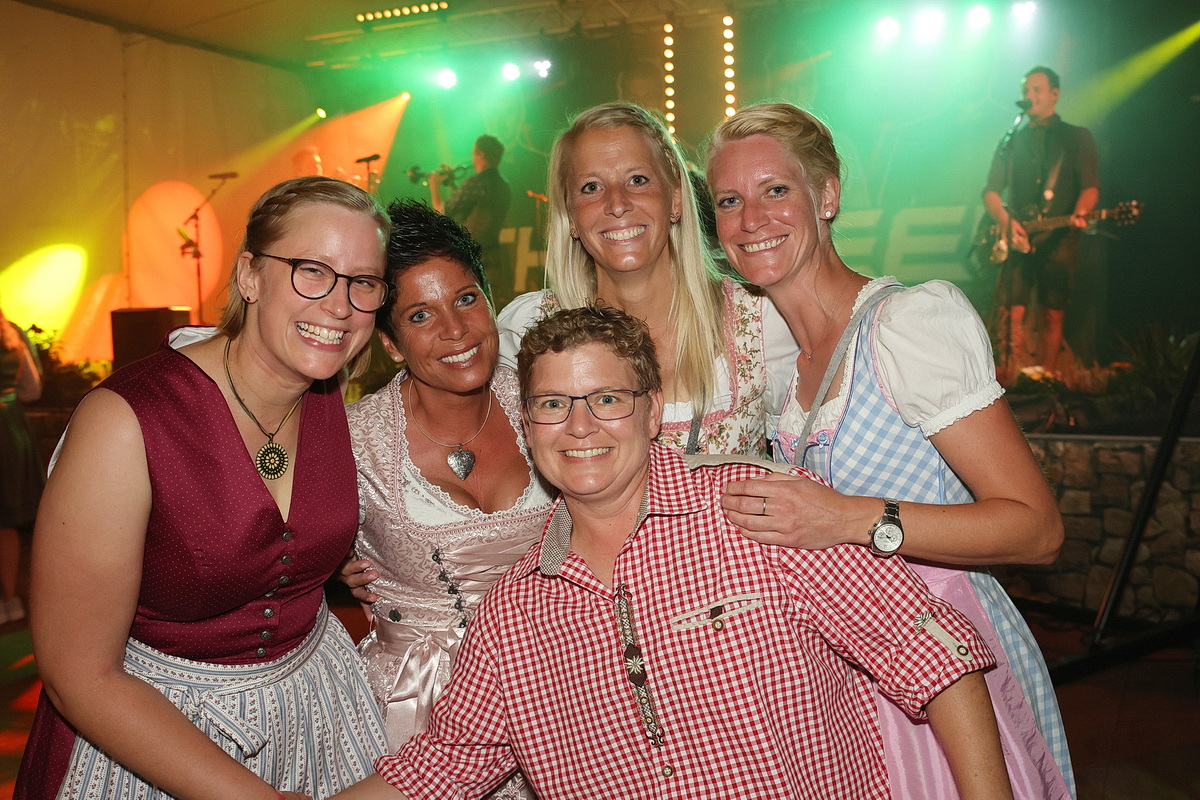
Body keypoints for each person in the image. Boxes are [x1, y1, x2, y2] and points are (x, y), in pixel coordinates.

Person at [332, 304, 1016, 800]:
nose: (579, 426)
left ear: (653, 409)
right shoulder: (515, 613)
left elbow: (935, 656)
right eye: (553, 405)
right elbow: (442, 767)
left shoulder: (757, 510)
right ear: (528, 428)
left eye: (606, 398)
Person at [707, 103, 1073, 798]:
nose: (751, 218)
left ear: (827, 196)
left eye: (775, 190)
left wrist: (848, 518)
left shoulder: (907, 326)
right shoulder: (775, 355)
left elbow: (1037, 529)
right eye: (729, 200)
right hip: (840, 678)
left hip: (949, 668)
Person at [16, 176, 390, 799]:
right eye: (312, 271)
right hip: (150, 735)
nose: (340, 305)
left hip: (318, 712)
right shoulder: (125, 422)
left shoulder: (330, 390)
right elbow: (78, 674)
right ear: (249, 275)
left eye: (364, 282)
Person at [341, 199, 553, 799]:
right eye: (420, 315)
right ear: (390, 343)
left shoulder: (549, 403)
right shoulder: (352, 441)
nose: (455, 330)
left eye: (465, 299)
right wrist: (335, 563)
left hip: (558, 691)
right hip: (417, 712)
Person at [497, 102, 796, 457]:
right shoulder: (527, 329)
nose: (617, 204)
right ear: (570, 217)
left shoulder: (761, 322)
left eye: (637, 180)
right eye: (591, 187)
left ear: (675, 199)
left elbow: (800, 464)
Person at [982, 66, 1099, 377]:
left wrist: (1082, 211)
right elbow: (991, 191)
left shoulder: (1076, 137)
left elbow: (1090, 186)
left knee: (1052, 310)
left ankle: (1046, 379)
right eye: (1025, 90)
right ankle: (1010, 377)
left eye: (1036, 90)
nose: (1029, 95)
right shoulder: (1012, 141)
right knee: (1009, 309)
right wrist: (1005, 221)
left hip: (1059, 236)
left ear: (1054, 94)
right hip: (1018, 234)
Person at [430, 135, 513, 305]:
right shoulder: (504, 185)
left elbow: (441, 212)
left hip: (471, 255)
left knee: (471, 304)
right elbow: (473, 204)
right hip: (494, 255)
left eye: (474, 153)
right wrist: (453, 185)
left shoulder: (476, 183)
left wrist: (434, 185)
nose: (472, 158)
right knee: (494, 304)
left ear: (480, 154)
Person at [0, 301, 43, 625]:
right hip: (10, 426)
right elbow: (32, 389)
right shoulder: (12, 333)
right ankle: (11, 599)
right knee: (7, 519)